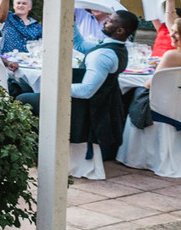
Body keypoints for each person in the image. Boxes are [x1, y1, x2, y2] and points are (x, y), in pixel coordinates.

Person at [18, 10, 140, 161]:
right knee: (25, 91)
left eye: (110, 20)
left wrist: (54, 89)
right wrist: (72, 23)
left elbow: (86, 91)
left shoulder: (103, 55)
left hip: (82, 108)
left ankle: (39, 152)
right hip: (96, 104)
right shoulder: (115, 49)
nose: (105, 21)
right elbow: (80, 45)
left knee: (23, 99)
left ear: (120, 30)